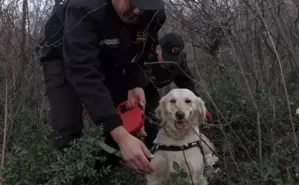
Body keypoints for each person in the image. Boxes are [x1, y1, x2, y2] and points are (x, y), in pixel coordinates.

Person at [38, 0, 166, 175]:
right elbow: (84, 73)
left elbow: (143, 51)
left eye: (144, 5)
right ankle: (68, 174)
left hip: (114, 51)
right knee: (68, 127)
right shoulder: (82, 8)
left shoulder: (153, 14)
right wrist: (119, 133)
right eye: (132, 2)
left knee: (122, 117)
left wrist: (135, 83)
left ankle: (108, 172)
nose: (137, 11)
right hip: (63, 54)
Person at [142, 33, 213, 149]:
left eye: (172, 58)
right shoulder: (144, 56)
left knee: (152, 121)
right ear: (158, 48)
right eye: (165, 57)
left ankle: (151, 153)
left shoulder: (179, 61)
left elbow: (187, 82)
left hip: (152, 90)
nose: (167, 63)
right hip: (134, 88)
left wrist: (200, 107)